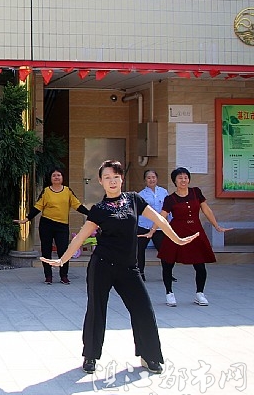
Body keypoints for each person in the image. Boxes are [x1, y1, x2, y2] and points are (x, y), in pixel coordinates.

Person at [41, 160, 198, 375]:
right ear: (100, 181)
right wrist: (62, 260)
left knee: (143, 310)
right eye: (107, 177)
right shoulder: (98, 209)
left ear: (122, 178)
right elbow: (80, 238)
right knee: (96, 310)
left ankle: (149, 356)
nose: (112, 181)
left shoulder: (134, 200)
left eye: (115, 177)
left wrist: (177, 239)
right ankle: (90, 356)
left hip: (128, 267)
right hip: (102, 265)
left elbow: (160, 220)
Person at [158, 167, 231, 307]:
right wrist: (152, 230)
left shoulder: (196, 192)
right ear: (174, 181)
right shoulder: (170, 199)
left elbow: (206, 209)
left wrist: (217, 226)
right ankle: (169, 294)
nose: (183, 180)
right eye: (180, 178)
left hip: (196, 232)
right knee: (167, 263)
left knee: (200, 265)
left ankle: (200, 294)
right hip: (176, 232)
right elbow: (162, 216)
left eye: (186, 177)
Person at [13, 168, 89, 285]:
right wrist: (27, 218)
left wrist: (90, 214)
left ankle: (64, 276)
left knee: (63, 251)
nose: (56, 177)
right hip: (46, 225)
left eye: (59, 175)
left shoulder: (67, 191)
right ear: (50, 178)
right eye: (54, 175)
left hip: (62, 226)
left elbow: (77, 205)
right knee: (46, 250)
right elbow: (38, 207)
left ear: (62, 177)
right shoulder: (46, 191)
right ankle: (48, 276)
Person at [136, 170, 171, 282]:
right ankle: (140, 273)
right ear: (145, 180)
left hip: (159, 227)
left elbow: (168, 209)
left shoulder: (163, 192)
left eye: (153, 177)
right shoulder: (141, 195)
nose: (151, 180)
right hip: (144, 226)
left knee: (164, 251)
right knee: (140, 251)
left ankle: (167, 274)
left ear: (157, 178)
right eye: (149, 178)